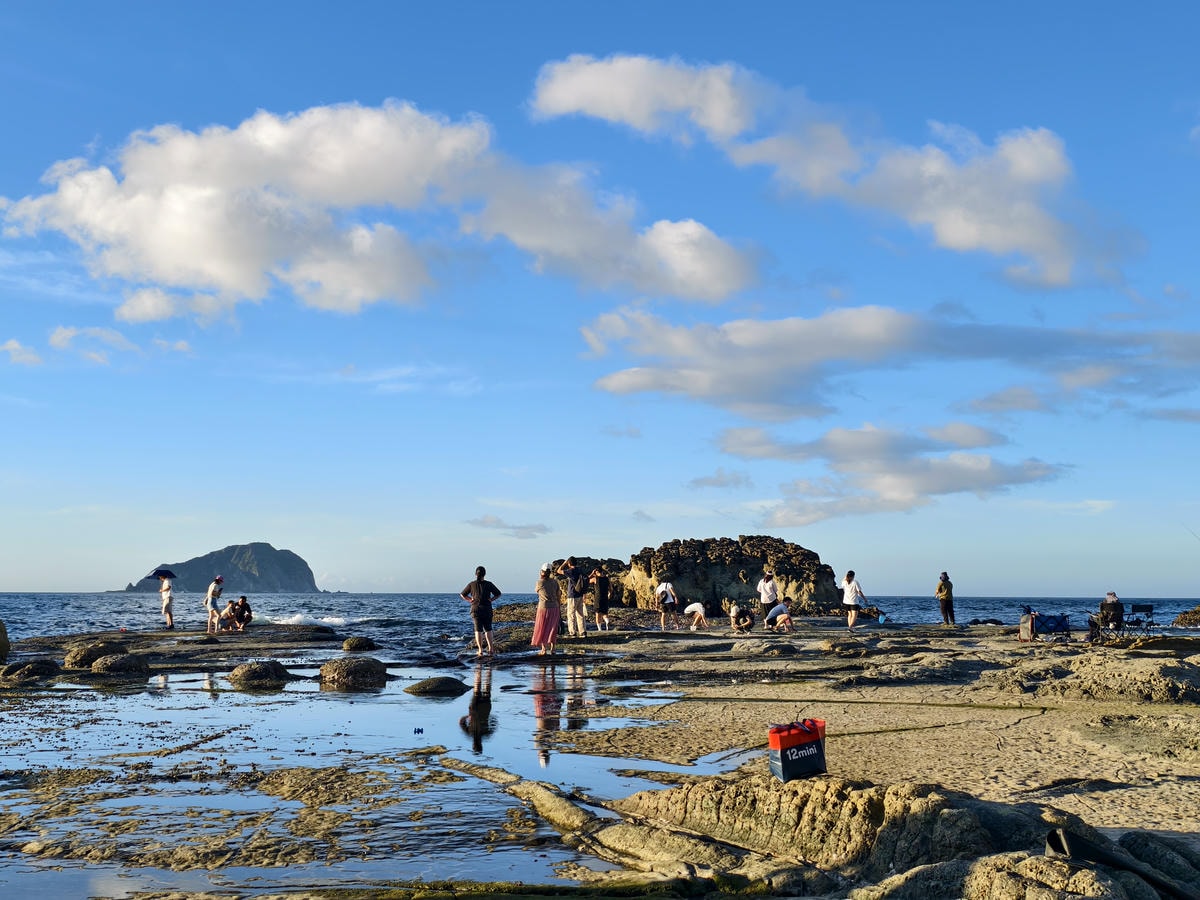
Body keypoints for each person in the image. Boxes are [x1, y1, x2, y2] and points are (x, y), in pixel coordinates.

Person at [460, 565, 501, 657]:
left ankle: (480, 650)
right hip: (486, 609)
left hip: (475, 609)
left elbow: (462, 594)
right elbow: (498, 593)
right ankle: (491, 649)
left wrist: (470, 600)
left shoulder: (471, 584)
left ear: (475, 574)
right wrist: (491, 599)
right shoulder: (489, 584)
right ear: (484, 574)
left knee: (478, 630)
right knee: (488, 629)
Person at [458, 663, 494, 754]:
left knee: (486, 688)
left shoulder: (485, 734)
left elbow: (494, 723)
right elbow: (461, 721)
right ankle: (481, 667)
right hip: (475, 710)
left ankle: (487, 668)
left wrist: (489, 717)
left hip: (484, 708)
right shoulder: (470, 733)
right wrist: (469, 716)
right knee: (477, 688)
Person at [532, 563, 561, 656]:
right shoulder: (555, 582)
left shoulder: (540, 582)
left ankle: (544, 649)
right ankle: (553, 649)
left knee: (542, 627)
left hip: (544, 607)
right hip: (554, 607)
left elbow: (536, 590)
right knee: (553, 628)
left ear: (542, 572)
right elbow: (558, 595)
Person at [556, 557, 587, 637]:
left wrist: (564, 563)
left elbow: (558, 571)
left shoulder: (570, 571)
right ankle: (583, 631)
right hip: (580, 594)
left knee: (571, 614)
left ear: (569, 563)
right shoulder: (579, 570)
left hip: (572, 594)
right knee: (580, 614)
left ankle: (572, 632)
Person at [590, 565, 612, 631]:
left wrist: (592, 574)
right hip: (605, 597)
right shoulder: (607, 579)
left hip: (598, 598)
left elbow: (586, 580)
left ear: (596, 572)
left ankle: (600, 629)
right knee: (604, 613)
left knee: (598, 614)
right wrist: (609, 594)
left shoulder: (595, 579)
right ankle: (607, 621)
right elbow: (611, 589)